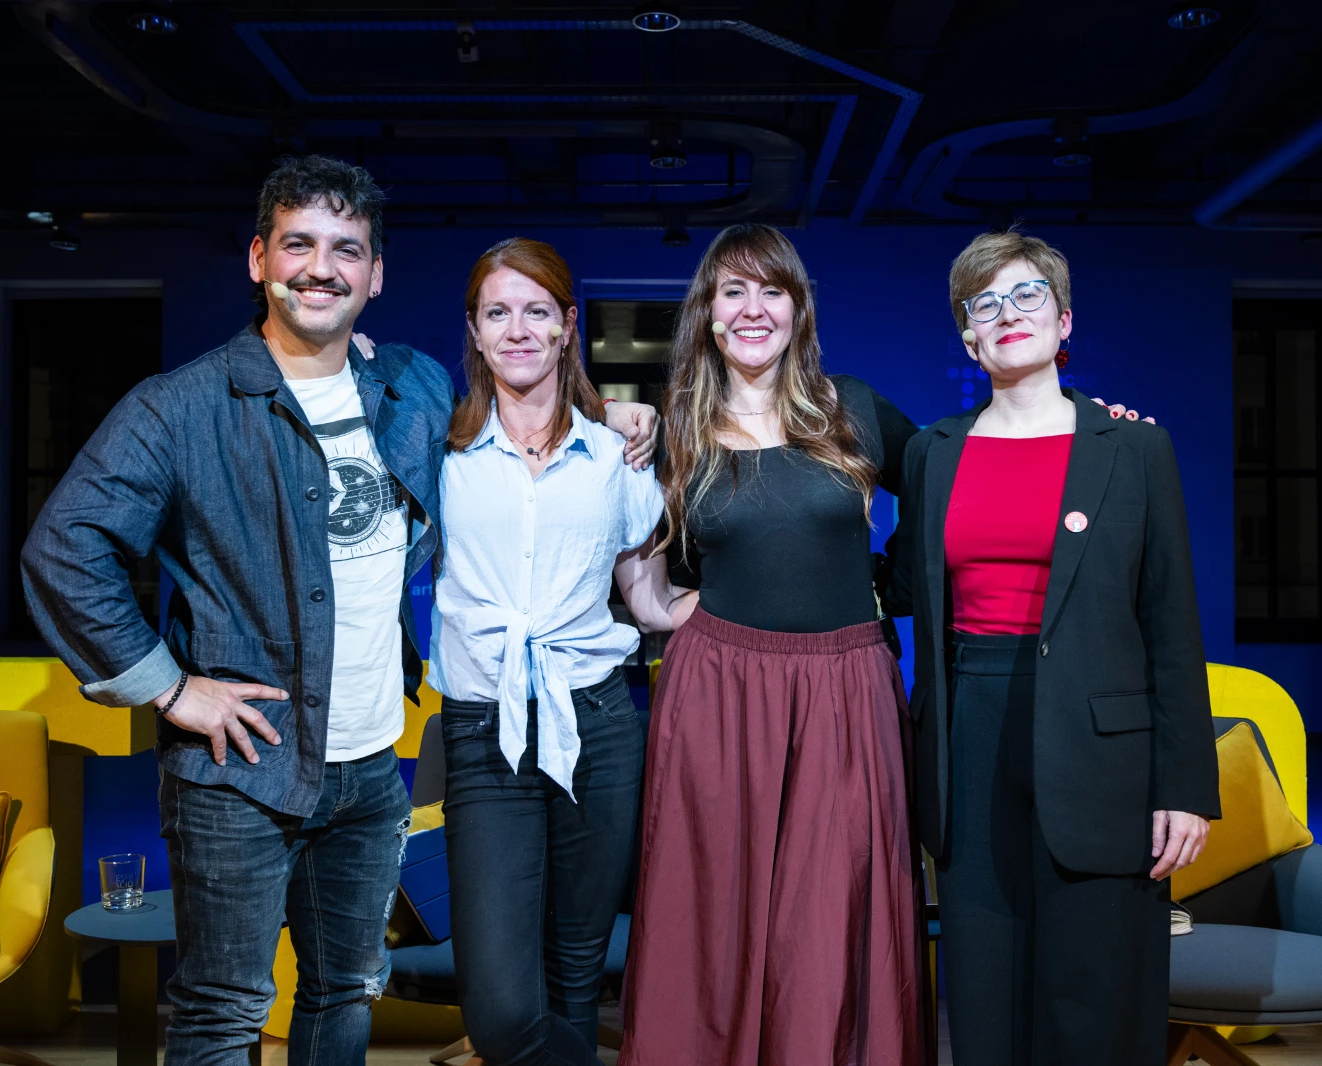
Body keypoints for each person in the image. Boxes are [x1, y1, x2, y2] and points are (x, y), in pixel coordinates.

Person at [20, 157, 655, 1066]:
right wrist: (170, 688)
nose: (321, 269)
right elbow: (64, 548)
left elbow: (522, 434)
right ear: (259, 260)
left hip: (369, 769)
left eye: (346, 250)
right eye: (299, 245)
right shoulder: (183, 407)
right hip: (242, 769)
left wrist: (620, 421)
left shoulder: (408, 389)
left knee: (345, 997)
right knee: (225, 1012)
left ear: (375, 275)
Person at [885, 228, 1220, 1065]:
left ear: (1064, 320)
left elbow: (1172, 625)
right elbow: (901, 584)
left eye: (1028, 294)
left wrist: (1184, 787)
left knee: (1094, 996)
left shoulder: (1134, 448)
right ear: (968, 336)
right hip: (969, 739)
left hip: (1103, 752)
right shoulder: (932, 452)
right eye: (985, 303)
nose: (1009, 313)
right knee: (985, 992)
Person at [619, 223, 930, 1066]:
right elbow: (631, 548)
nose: (753, 309)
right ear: (708, 312)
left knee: (832, 917)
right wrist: (663, 608)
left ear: (798, 310)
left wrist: (890, 586)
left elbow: (948, 480)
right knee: (713, 913)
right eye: (734, 291)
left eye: (773, 290)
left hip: (846, 691)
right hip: (719, 693)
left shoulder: (851, 407)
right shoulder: (673, 431)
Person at [426, 238, 696, 1066]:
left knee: (577, 975)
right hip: (485, 730)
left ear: (567, 326)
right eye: (497, 313)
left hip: (599, 723)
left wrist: (776, 602)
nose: (517, 329)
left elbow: (649, 602)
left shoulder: (616, 456)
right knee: (502, 1010)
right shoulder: (439, 451)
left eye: (537, 311)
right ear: (475, 332)